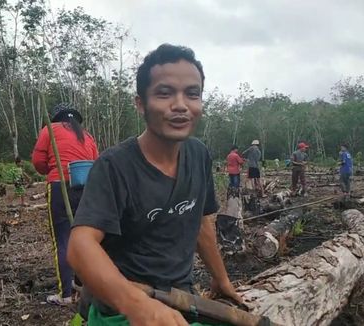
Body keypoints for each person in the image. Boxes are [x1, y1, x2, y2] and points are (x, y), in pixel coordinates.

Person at [67, 44, 242, 325]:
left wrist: (221, 280)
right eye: (165, 93)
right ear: (140, 104)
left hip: (180, 297)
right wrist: (135, 304)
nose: (181, 105)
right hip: (121, 307)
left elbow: (199, 223)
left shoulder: (198, 155)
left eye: (192, 94)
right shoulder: (115, 166)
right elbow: (80, 244)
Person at [32, 104, 99, 306]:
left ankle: (66, 294)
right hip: (87, 188)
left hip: (60, 187)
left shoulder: (49, 130)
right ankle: (84, 288)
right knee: (85, 237)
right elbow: (96, 161)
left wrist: (50, 169)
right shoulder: (86, 135)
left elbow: (38, 162)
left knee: (63, 238)